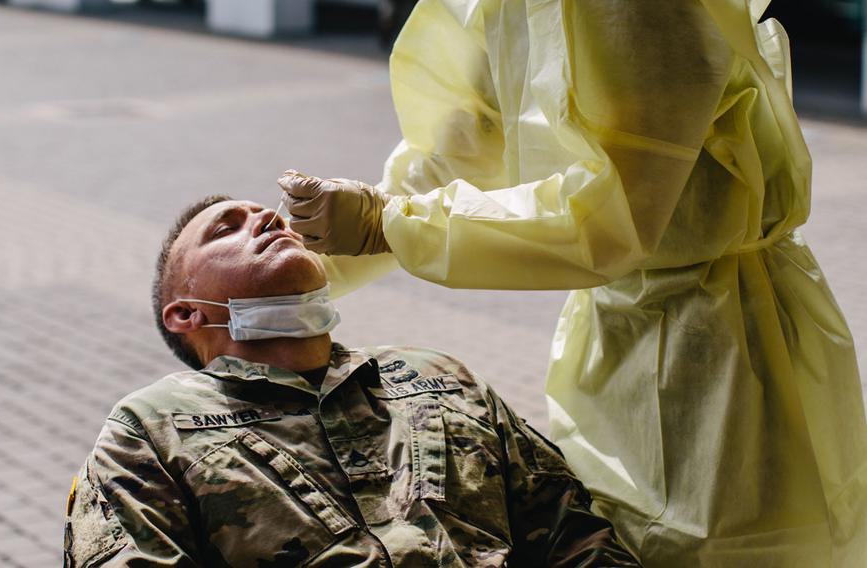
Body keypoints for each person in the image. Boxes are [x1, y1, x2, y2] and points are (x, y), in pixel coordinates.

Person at [275, 1, 867, 566]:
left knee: (720, 541)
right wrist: (313, 264)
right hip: (618, 334)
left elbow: (619, 211)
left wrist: (385, 222)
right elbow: (466, 142)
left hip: (723, 342)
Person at [62, 195, 641, 567]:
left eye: (265, 212)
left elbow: (574, 533)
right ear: (187, 313)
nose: (267, 218)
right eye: (226, 230)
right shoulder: (149, 429)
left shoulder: (437, 375)